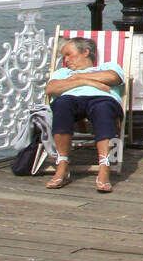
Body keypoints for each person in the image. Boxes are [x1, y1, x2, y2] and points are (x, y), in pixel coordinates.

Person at [44, 36, 125, 193]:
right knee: (61, 104)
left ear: (86, 52)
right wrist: (86, 82)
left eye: (68, 54)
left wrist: (78, 77)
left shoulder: (107, 66)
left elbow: (112, 78)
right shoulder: (63, 72)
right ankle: (62, 164)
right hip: (70, 99)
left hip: (102, 99)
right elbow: (51, 89)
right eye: (63, 56)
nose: (65, 60)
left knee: (104, 109)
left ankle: (104, 166)